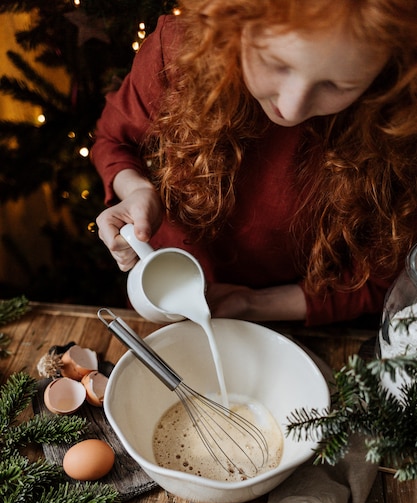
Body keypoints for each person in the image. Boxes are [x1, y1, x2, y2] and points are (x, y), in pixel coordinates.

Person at [91, 0, 417, 326]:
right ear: (236, 24)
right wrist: (135, 188)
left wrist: (251, 304)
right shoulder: (181, 53)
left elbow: (382, 280)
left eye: (336, 85)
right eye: (276, 64)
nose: (291, 108)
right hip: (160, 296)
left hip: (281, 315)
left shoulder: (396, 126)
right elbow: (113, 139)